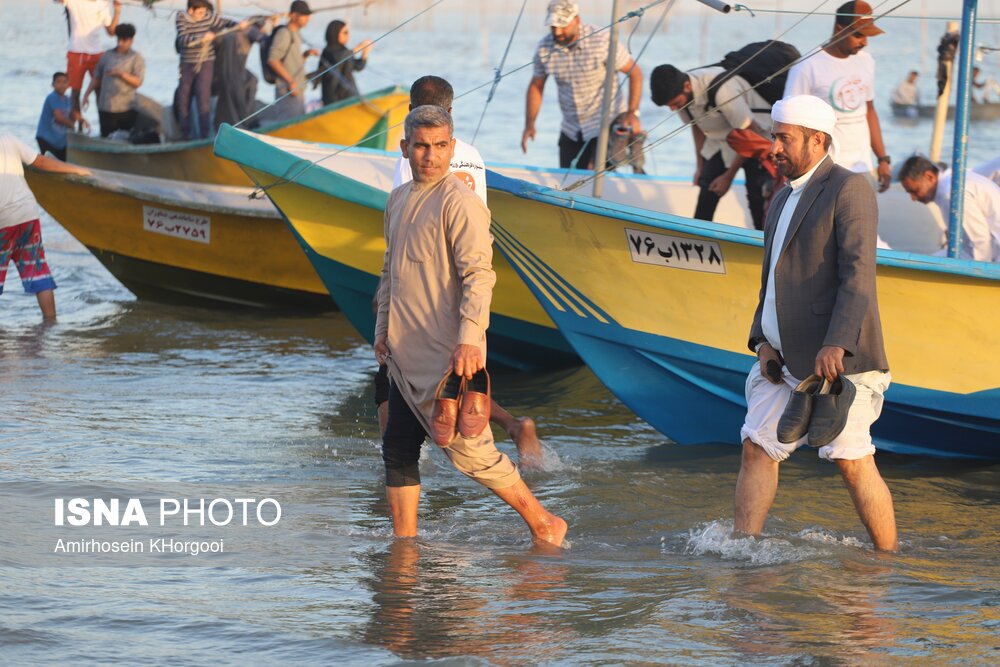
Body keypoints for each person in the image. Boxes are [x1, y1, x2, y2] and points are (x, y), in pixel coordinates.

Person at [374, 105, 567, 546]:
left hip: (444, 351)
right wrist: (382, 329)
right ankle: (404, 542)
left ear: (452, 147)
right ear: (405, 148)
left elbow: (480, 275)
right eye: (421, 146)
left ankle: (543, 522)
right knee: (398, 446)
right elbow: (390, 270)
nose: (431, 156)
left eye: (440, 146)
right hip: (402, 351)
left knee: (468, 452)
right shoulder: (398, 199)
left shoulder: (458, 202)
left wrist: (469, 340)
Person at [736, 95, 898, 552]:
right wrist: (761, 342)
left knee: (851, 461)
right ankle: (742, 550)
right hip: (782, 358)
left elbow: (858, 272)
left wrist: (838, 343)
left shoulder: (850, 188)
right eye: (774, 136)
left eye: (784, 138)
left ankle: (888, 558)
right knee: (757, 447)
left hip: (839, 362)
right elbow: (770, 279)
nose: (774, 147)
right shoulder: (782, 195)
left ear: (817, 139)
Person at [386, 75, 543, 464]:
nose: (429, 152)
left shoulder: (412, 155)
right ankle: (405, 454)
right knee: (452, 377)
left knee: (401, 379)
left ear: (410, 112)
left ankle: (401, 460)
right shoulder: (470, 152)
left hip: (430, 280)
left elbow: (408, 214)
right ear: (452, 111)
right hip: (469, 273)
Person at [783, 1, 892, 192]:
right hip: (825, 170)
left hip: (862, 166)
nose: (864, 42)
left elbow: (870, 111)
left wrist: (882, 159)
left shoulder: (866, 61)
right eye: (858, 35)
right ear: (840, 29)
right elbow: (788, 124)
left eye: (867, 36)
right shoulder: (807, 66)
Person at [650, 64, 773, 230]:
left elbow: (751, 133)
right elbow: (697, 126)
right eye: (669, 105)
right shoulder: (679, 96)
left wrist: (728, 177)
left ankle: (764, 245)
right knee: (706, 188)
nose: (673, 109)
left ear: (687, 86)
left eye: (675, 103)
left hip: (757, 138)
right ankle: (697, 241)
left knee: (756, 199)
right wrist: (700, 166)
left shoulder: (721, 90)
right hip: (723, 140)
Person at [522, 0, 642, 169]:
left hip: (606, 123)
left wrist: (632, 113)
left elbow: (635, 73)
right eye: (553, 26)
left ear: (576, 20)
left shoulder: (601, 40)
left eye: (562, 25)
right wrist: (529, 124)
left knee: (597, 178)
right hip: (572, 128)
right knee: (567, 182)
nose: (558, 32)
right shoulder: (544, 48)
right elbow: (536, 86)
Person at [1, 132, 90, 320]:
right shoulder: (8, 138)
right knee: (37, 270)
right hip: (27, 214)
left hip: (3, 222)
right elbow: (41, 162)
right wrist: (74, 169)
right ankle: (50, 322)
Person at [898, 155, 1000, 263]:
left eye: (915, 191)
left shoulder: (951, 193)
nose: (913, 198)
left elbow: (981, 241)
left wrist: (980, 275)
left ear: (929, 176)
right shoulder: (953, 180)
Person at [175, 0, 248, 140]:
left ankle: (205, 136)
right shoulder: (181, 17)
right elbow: (183, 39)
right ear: (191, 10)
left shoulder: (208, 16)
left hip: (206, 62)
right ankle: (185, 134)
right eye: (200, 12)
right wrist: (201, 38)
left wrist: (238, 25)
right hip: (187, 64)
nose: (203, 15)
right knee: (184, 99)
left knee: (203, 99)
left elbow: (223, 22)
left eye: (204, 12)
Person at [55, 0, 122, 127]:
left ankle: (104, 126)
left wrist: (117, 10)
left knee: (100, 91)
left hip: (97, 53)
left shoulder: (104, 4)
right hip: (77, 51)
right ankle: (77, 127)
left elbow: (111, 32)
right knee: (75, 92)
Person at [83, 23, 144, 138]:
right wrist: (86, 95)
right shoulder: (107, 56)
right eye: (118, 39)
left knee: (126, 139)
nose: (120, 43)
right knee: (106, 139)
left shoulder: (136, 58)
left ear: (131, 41)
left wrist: (121, 74)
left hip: (126, 108)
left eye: (124, 40)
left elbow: (138, 82)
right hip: (106, 107)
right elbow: (97, 78)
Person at [268, 1, 319, 121]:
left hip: (297, 91)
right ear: (293, 15)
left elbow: (290, 61)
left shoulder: (295, 34)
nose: (308, 18)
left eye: (308, 15)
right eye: (304, 15)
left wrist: (305, 55)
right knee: (287, 127)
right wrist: (291, 82)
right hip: (288, 91)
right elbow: (273, 60)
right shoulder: (284, 33)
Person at [313, 20, 372, 106]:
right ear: (335, 33)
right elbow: (339, 58)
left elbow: (358, 66)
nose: (348, 35)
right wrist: (358, 48)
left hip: (348, 98)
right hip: (334, 101)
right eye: (345, 32)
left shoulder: (344, 50)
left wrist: (365, 52)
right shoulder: (328, 52)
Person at [36, 72, 79, 161]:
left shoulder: (68, 99)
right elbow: (58, 117)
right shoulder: (52, 97)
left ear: (68, 85)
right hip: (46, 137)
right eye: (58, 82)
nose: (61, 85)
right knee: (49, 163)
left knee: (62, 163)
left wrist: (82, 119)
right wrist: (72, 125)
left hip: (59, 140)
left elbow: (72, 112)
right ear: (53, 85)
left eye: (64, 82)